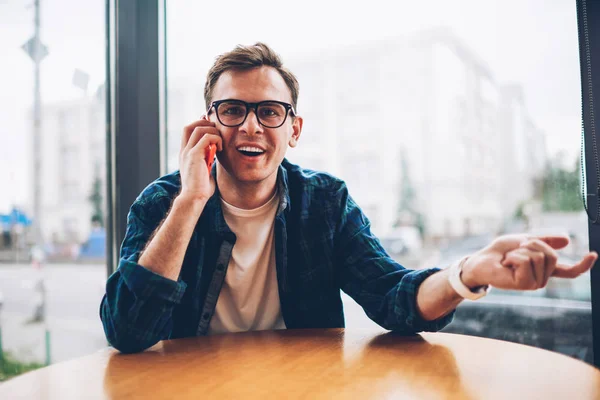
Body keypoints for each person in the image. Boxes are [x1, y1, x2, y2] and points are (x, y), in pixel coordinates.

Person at [100, 42, 598, 354]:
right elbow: (127, 332)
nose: (251, 125)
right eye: (232, 110)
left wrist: (466, 274)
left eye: (270, 111)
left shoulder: (326, 203)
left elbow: (394, 298)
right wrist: (190, 201)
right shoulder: (164, 202)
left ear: (293, 130)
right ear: (209, 124)